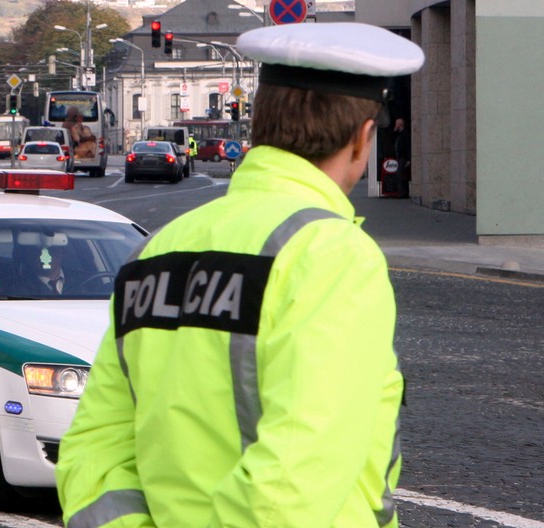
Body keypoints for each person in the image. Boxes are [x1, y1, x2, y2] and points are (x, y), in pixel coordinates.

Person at [56, 22, 424, 528]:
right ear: (363, 139)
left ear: (257, 124)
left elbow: (95, 451)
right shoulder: (330, 253)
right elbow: (296, 475)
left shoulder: (157, 250)